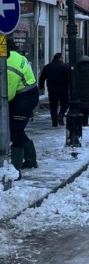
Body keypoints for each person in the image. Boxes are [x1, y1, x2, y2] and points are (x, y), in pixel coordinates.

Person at [7, 39, 40, 178]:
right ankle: (31, 160)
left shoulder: (9, 69)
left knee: (15, 130)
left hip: (25, 98)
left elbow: (7, 95)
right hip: (27, 94)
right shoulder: (15, 56)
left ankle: (15, 168)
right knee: (16, 128)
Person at [38, 53, 70, 127]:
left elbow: (42, 77)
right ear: (60, 58)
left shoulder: (48, 67)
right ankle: (61, 115)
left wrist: (41, 86)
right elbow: (69, 78)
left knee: (53, 105)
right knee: (65, 104)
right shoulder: (65, 67)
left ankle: (54, 121)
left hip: (52, 88)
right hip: (63, 88)